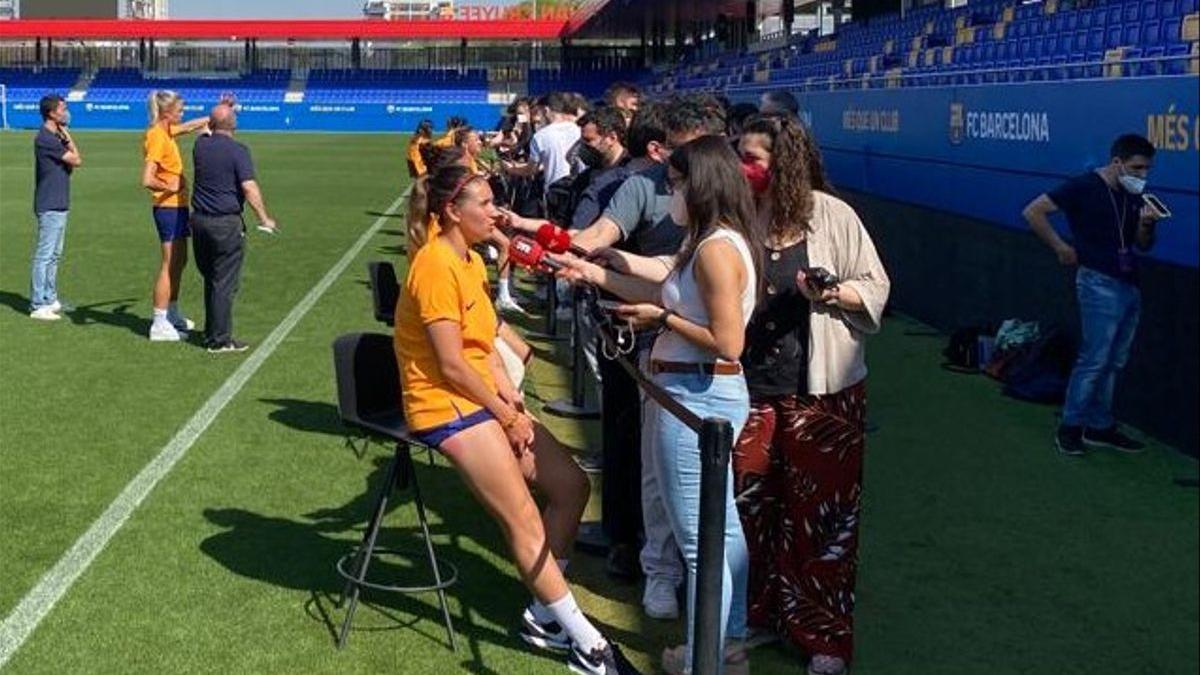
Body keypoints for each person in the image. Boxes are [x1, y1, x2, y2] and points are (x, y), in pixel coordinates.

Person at [393, 163, 637, 675]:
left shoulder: (467, 259)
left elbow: (479, 346)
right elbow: (452, 363)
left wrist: (511, 402)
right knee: (523, 517)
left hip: (476, 396)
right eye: (483, 204)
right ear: (451, 212)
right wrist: (505, 414)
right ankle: (590, 647)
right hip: (443, 405)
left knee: (571, 486)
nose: (494, 211)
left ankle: (544, 613)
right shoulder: (436, 263)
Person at [557, 135, 762, 675]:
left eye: (675, 183)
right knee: (723, 530)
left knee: (700, 539)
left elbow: (728, 341)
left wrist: (663, 322)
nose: (669, 193)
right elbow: (664, 280)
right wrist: (597, 269)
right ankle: (726, 645)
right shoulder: (712, 240)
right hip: (692, 389)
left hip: (695, 393)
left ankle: (704, 656)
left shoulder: (716, 249)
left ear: (703, 184)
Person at [733, 114, 890, 675]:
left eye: (754, 158)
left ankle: (823, 633)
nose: (744, 167)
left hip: (824, 394)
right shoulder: (740, 214)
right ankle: (754, 614)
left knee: (824, 520)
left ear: (785, 164)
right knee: (749, 505)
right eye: (741, 156)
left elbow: (876, 288)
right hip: (748, 389)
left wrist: (831, 292)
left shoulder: (834, 217)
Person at [571, 98, 725, 611]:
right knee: (652, 470)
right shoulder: (667, 209)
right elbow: (653, 267)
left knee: (697, 493)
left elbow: (724, 335)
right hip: (653, 356)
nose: (673, 178)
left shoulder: (723, 235)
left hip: (703, 372)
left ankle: (708, 606)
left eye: (684, 167)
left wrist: (660, 316)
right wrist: (576, 254)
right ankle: (652, 564)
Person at [1022, 133, 1159, 456]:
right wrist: (1060, 247)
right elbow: (1033, 211)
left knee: (1114, 360)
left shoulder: (1132, 195)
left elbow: (1142, 244)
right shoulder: (1083, 186)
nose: (1142, 176)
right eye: (1137, 168)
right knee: (1095, 358)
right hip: (1098, 282)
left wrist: (1147, 225)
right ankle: (1070, 427)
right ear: (1117, 163)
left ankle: (1099, 425)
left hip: (1129, 282)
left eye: (1146, 170)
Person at [190, 103, 276, 353]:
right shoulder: (238, 151)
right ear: (233, 123)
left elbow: (203, 129)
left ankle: (212, 332)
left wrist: (218, 114)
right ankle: (220, 340)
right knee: (224, 283)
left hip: (200, 222)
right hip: (225, 224)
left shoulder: (201, 145)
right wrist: (263, 218)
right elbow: (249, 187)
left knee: (212, 280)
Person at [141, 89, 213, 342]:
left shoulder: (167, 131)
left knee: (179, 261)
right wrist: (168, 186)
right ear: (165, 112)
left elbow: (189, 127)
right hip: (167, 208)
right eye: (179, 110)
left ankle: (171, 312)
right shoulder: (157, 137)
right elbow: (147, 178)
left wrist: (212, 115)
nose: (183, 115)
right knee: (169, 263)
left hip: (179, 207)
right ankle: (159, 323)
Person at [28, 94, 82, 321]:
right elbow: (76, 159)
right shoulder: (46, 139)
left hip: (59, 201)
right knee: (45, 255)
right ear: (51, 113)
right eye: (63, 108)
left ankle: (50, 298)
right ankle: (37, 303)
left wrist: (64, 132)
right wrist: (66, 133)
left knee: (54, 255)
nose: (66, 112)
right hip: (49, 203)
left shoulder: (55, 136)